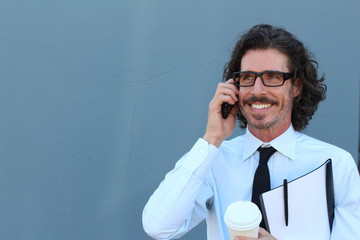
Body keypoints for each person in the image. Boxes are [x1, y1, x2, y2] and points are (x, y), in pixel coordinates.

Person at [142, 24, 360, 240]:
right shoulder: (214, 160)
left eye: (272, 77)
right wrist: (211, 139)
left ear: (296, 86)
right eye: (247, 78)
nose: (257, 90)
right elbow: (159, 227)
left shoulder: (336, 164)